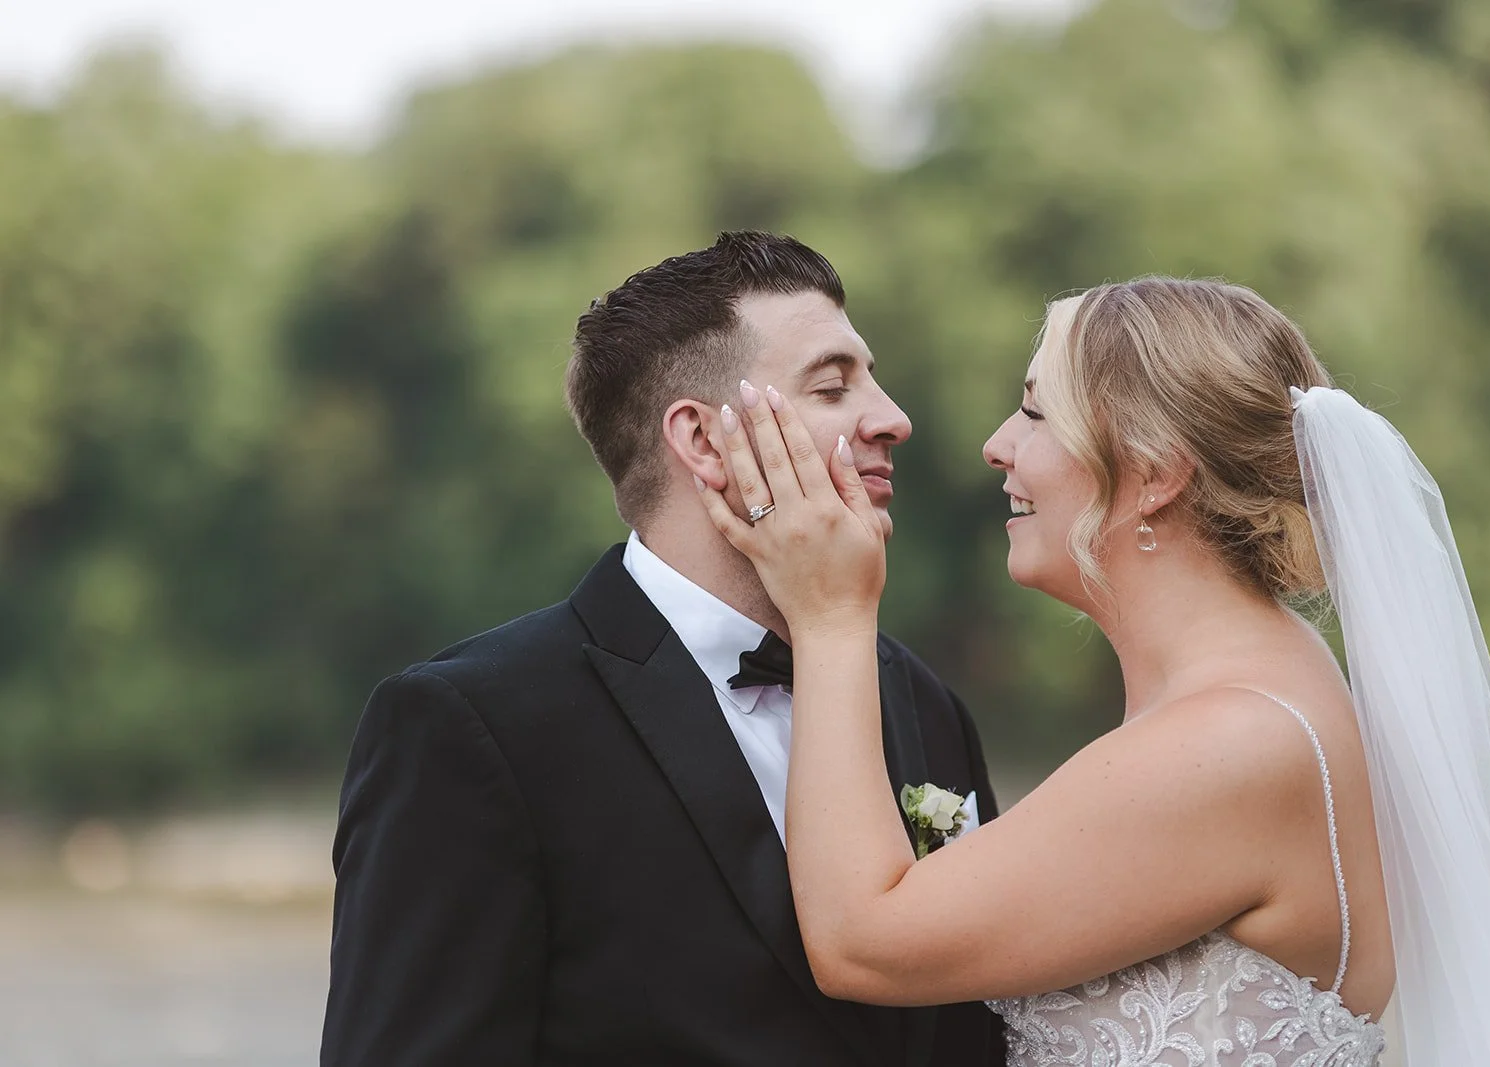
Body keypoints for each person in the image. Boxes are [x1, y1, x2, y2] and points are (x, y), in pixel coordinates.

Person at [696, 276, 1490, 1066]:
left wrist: (831, 615)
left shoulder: (1237, 739)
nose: (999, 446)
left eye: (1036, 414)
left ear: (1153, 474)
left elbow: (861, 941)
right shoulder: (1263, 685)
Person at [320, 231, 1006, 1066]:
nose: (891, 417)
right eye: (833, 385)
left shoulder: (920, 698)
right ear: (705, 440)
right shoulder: (470, 727)